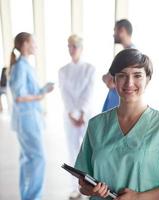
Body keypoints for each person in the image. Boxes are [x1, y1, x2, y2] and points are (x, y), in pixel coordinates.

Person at [75, 48, 159, 200]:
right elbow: (83, 184)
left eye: (137, 75)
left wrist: (139, 197)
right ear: (114, 80)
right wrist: (91, 190)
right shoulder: (96, 125)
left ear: (148, 79)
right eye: (122, 76)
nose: (129, 83)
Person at [8, 32, 53, 200]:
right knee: (38, 158)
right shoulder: (21, 66)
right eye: (33, 42)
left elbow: (26, 92)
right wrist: (40, 96)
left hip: (28, 116)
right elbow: (19, 96)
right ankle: (33, 197)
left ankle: (27, 196)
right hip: (27, 118)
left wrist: (42, 91)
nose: (36, 45)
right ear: (25, 44)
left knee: (27, 158)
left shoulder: (25, 65)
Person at [58, 34, 96, 199]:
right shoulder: (63, 70)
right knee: (72, 151)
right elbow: (64, 94)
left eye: (74, 46)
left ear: (81, 48)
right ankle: (75, 188)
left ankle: (90, 186)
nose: (71, 50)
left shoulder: (90, 69)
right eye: (69, 46)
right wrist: (72, 114)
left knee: (88, 151)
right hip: (69, 117)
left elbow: (88, 93)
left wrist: (80, 113)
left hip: (85, 116)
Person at [102, 19, 135, 112]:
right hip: (115, 104)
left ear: (122, 31)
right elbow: (108, 79)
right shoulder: (124, 54)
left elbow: (110, 82)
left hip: (119, 106)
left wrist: (108, 79)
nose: (113, 34)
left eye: (115, 30)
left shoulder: (130, 55)